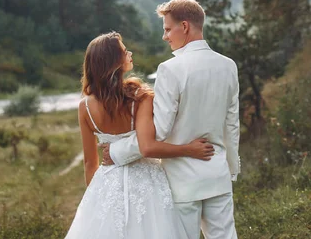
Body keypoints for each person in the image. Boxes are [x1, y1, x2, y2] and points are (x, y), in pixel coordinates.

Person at [103, 0, 240, 239]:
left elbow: (160, 130)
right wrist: (231, 169)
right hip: (218, 174)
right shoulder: (228, 65)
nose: (165, 37)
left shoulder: (170, 69)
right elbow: (231, 125)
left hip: (182, 180)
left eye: (167, 29)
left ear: (184, 26)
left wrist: (117, 151)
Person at [64, 31, 214, 239]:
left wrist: (99, 197)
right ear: (114, 62)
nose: (130, 53)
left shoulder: (85, 107)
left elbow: (90, 163)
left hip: (107, 182)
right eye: (125, 52)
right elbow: (148, 146)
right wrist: (189, 149)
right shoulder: (139, 98)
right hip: (147, 181)